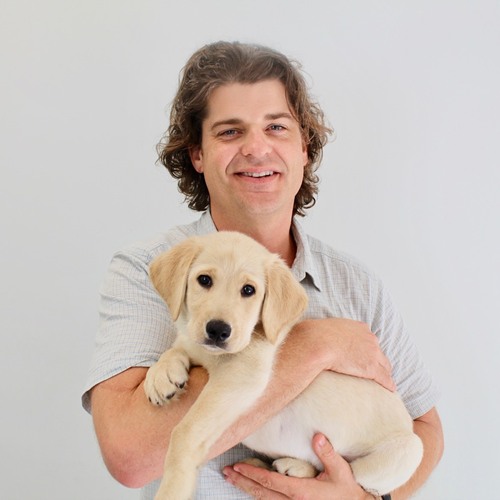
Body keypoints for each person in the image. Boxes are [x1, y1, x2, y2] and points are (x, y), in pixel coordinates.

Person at [83, 41, 444, 500]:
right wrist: (317, 344)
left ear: (304, 148)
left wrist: (358, 498)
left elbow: (424, 428)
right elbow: (130, 456)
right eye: (230, 132)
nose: (257, 148)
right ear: (197, 155)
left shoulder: (356, 284)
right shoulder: (146, 268)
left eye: (276, 127)